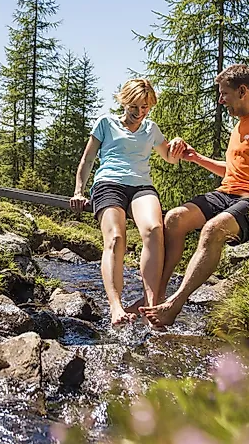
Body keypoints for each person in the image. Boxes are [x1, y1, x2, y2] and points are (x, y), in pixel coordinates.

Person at [139, 64, 249, 328]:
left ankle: (174, 304)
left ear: (242, 91)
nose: (221, 100)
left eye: (224, 94)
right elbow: (232, 171)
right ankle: (157, 296)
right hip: (229, 193)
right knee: (174, 218)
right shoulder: (240, 125)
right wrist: (196, 158)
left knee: (213, 229)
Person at [70, 78, 181, 327]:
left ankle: (152, 306)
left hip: (141, 186)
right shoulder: (105, 123)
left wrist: (175, 146)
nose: (140, 113)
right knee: (116, 238)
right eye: (136, 107)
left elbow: (170, 158)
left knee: (154, 230)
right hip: (109, 183)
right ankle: (116, 306)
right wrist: (79, 191)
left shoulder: (151, 129)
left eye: (146, 108)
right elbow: (87, 160)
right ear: (125, 102)